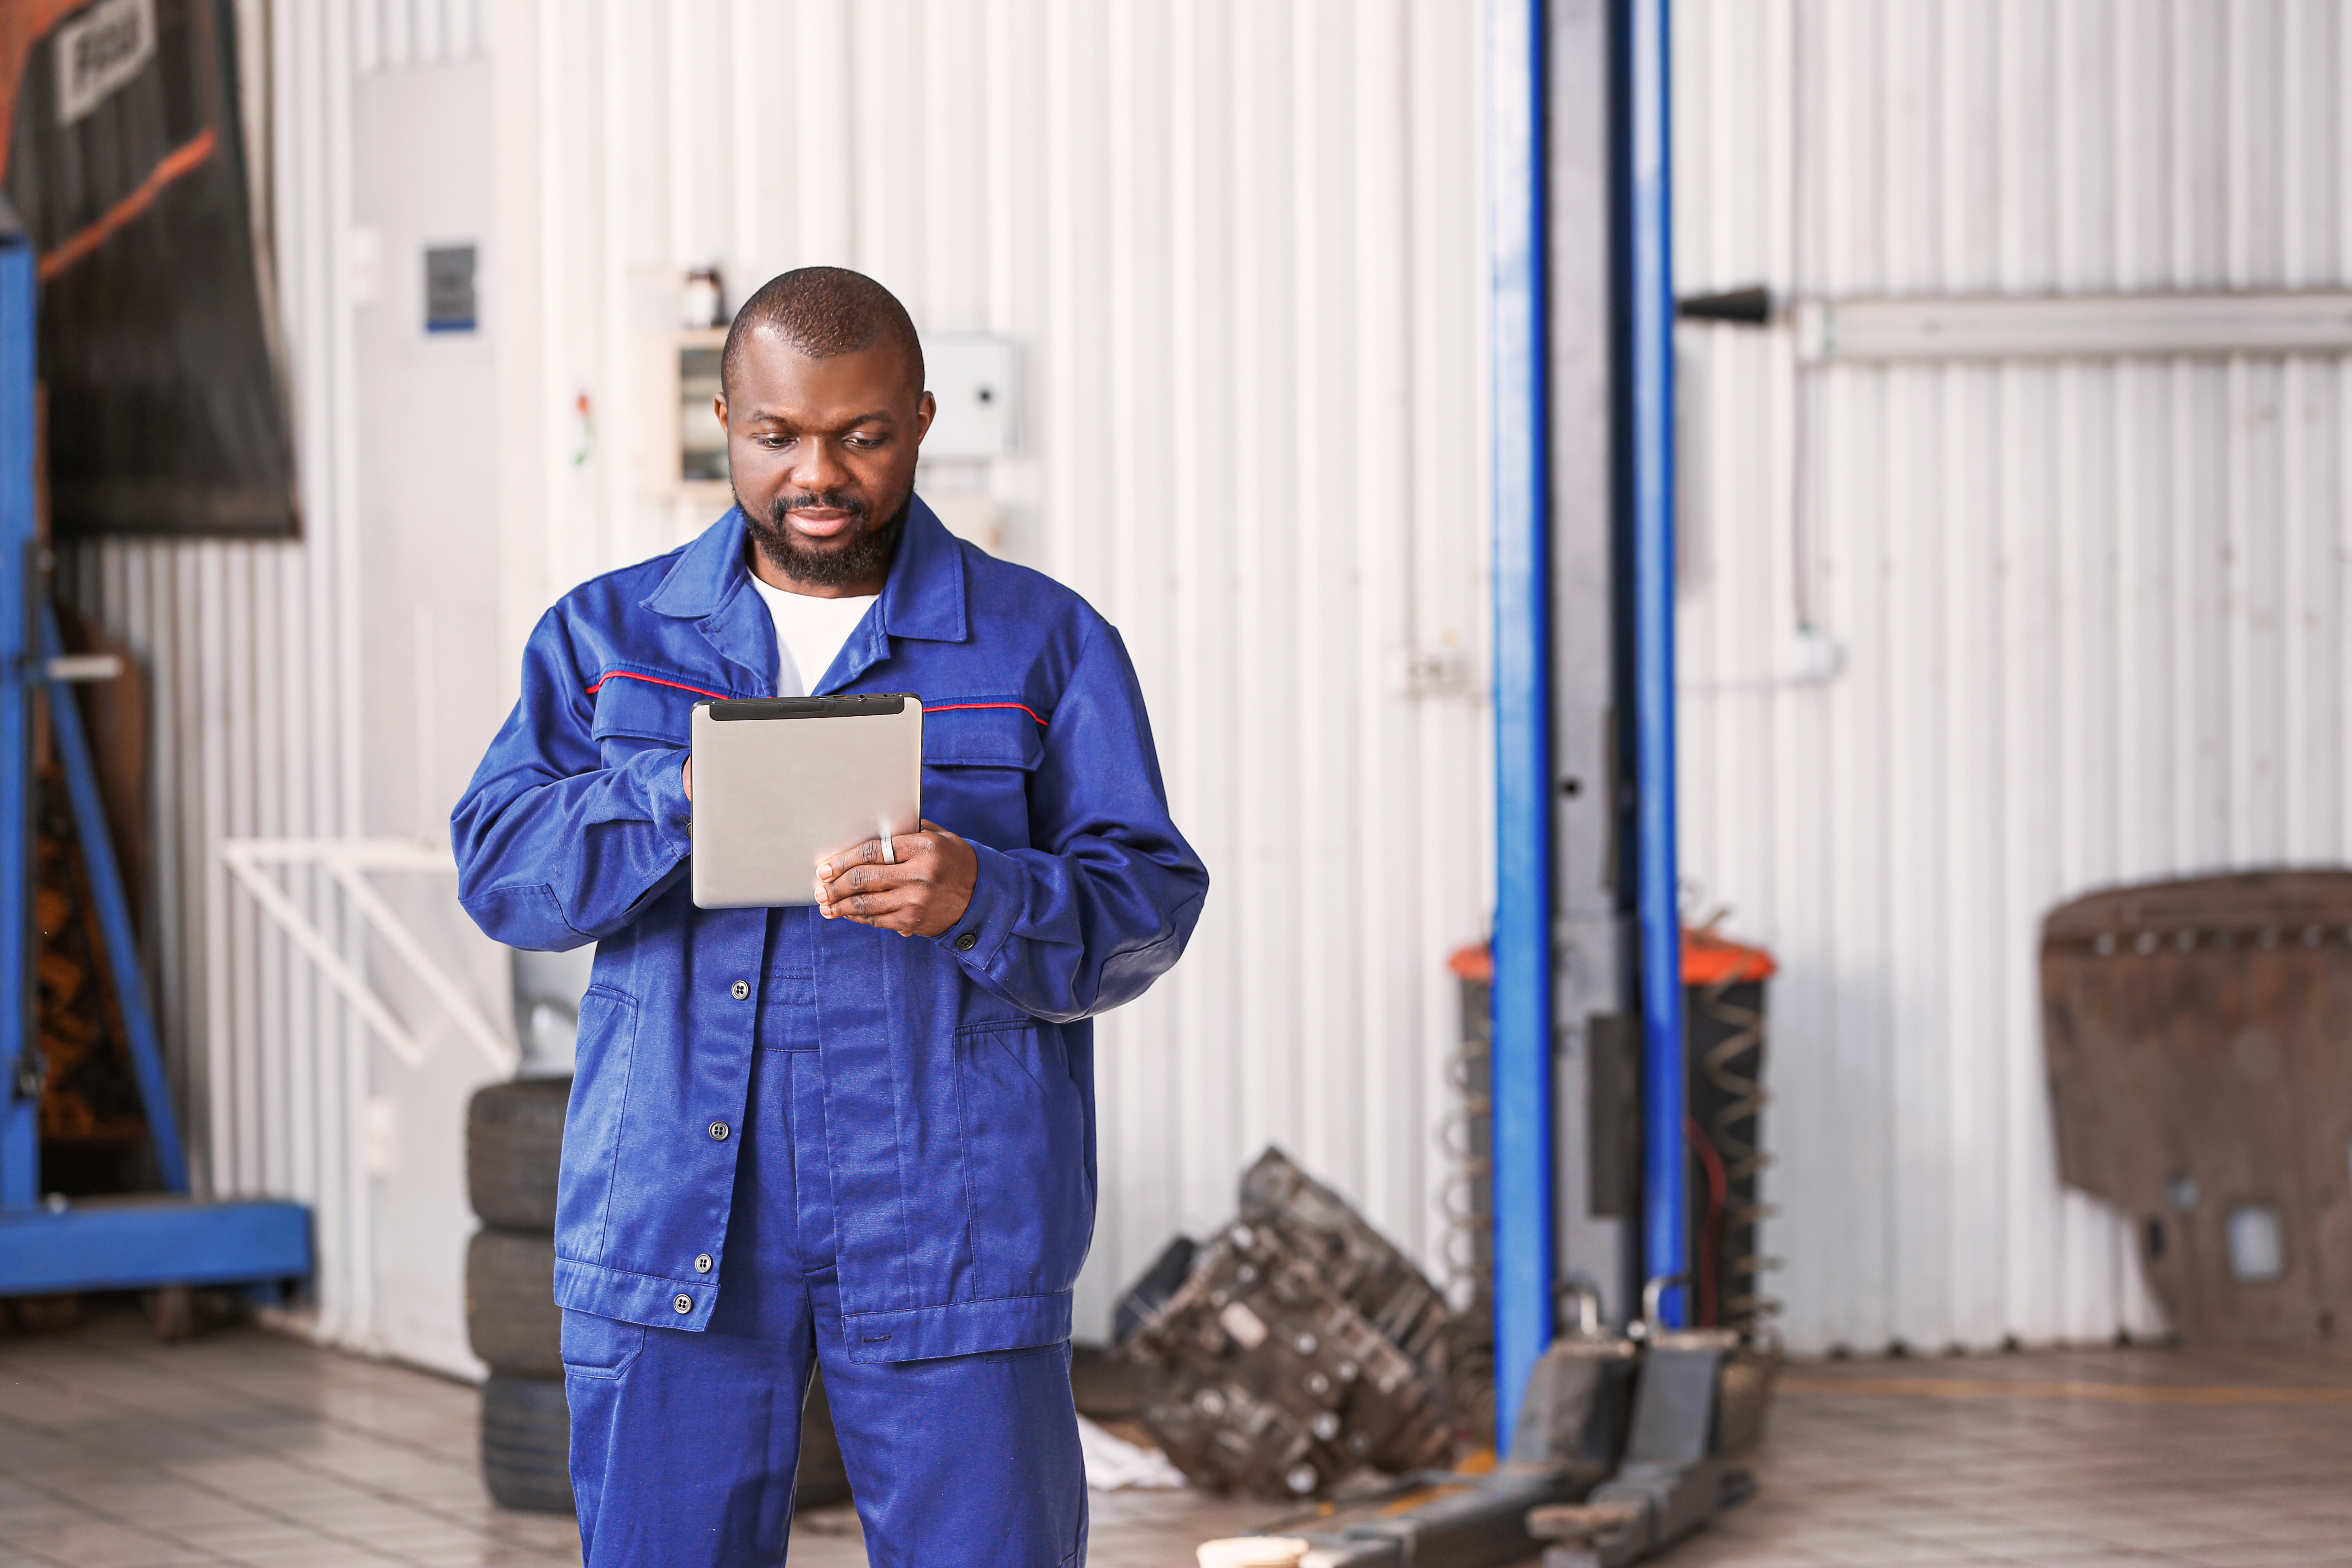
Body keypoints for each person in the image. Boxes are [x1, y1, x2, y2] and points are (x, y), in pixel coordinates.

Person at [452, 266, 1209, 1567]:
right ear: (725, 425)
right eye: (778, 436)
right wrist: (674, 794)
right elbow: (501, 872)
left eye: (861, 436)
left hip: (953, 1216)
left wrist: (988, 894)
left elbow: (1148, 904)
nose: (819, 474)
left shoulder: (1041, 643)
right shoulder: (609, 640)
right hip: (677, 1206)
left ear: (919, 421)